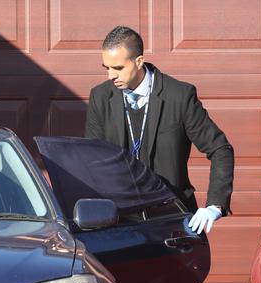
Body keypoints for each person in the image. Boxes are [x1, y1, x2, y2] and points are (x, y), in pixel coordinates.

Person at [85, 26, 234, 234]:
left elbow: (220, 149)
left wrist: (214, 206)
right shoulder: (100, 97)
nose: (111, 75)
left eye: (118, 68)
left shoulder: (179, 96)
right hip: (119, 224)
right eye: (106, 68)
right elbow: (92, 160)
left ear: (139, 62)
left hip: (172, 220)